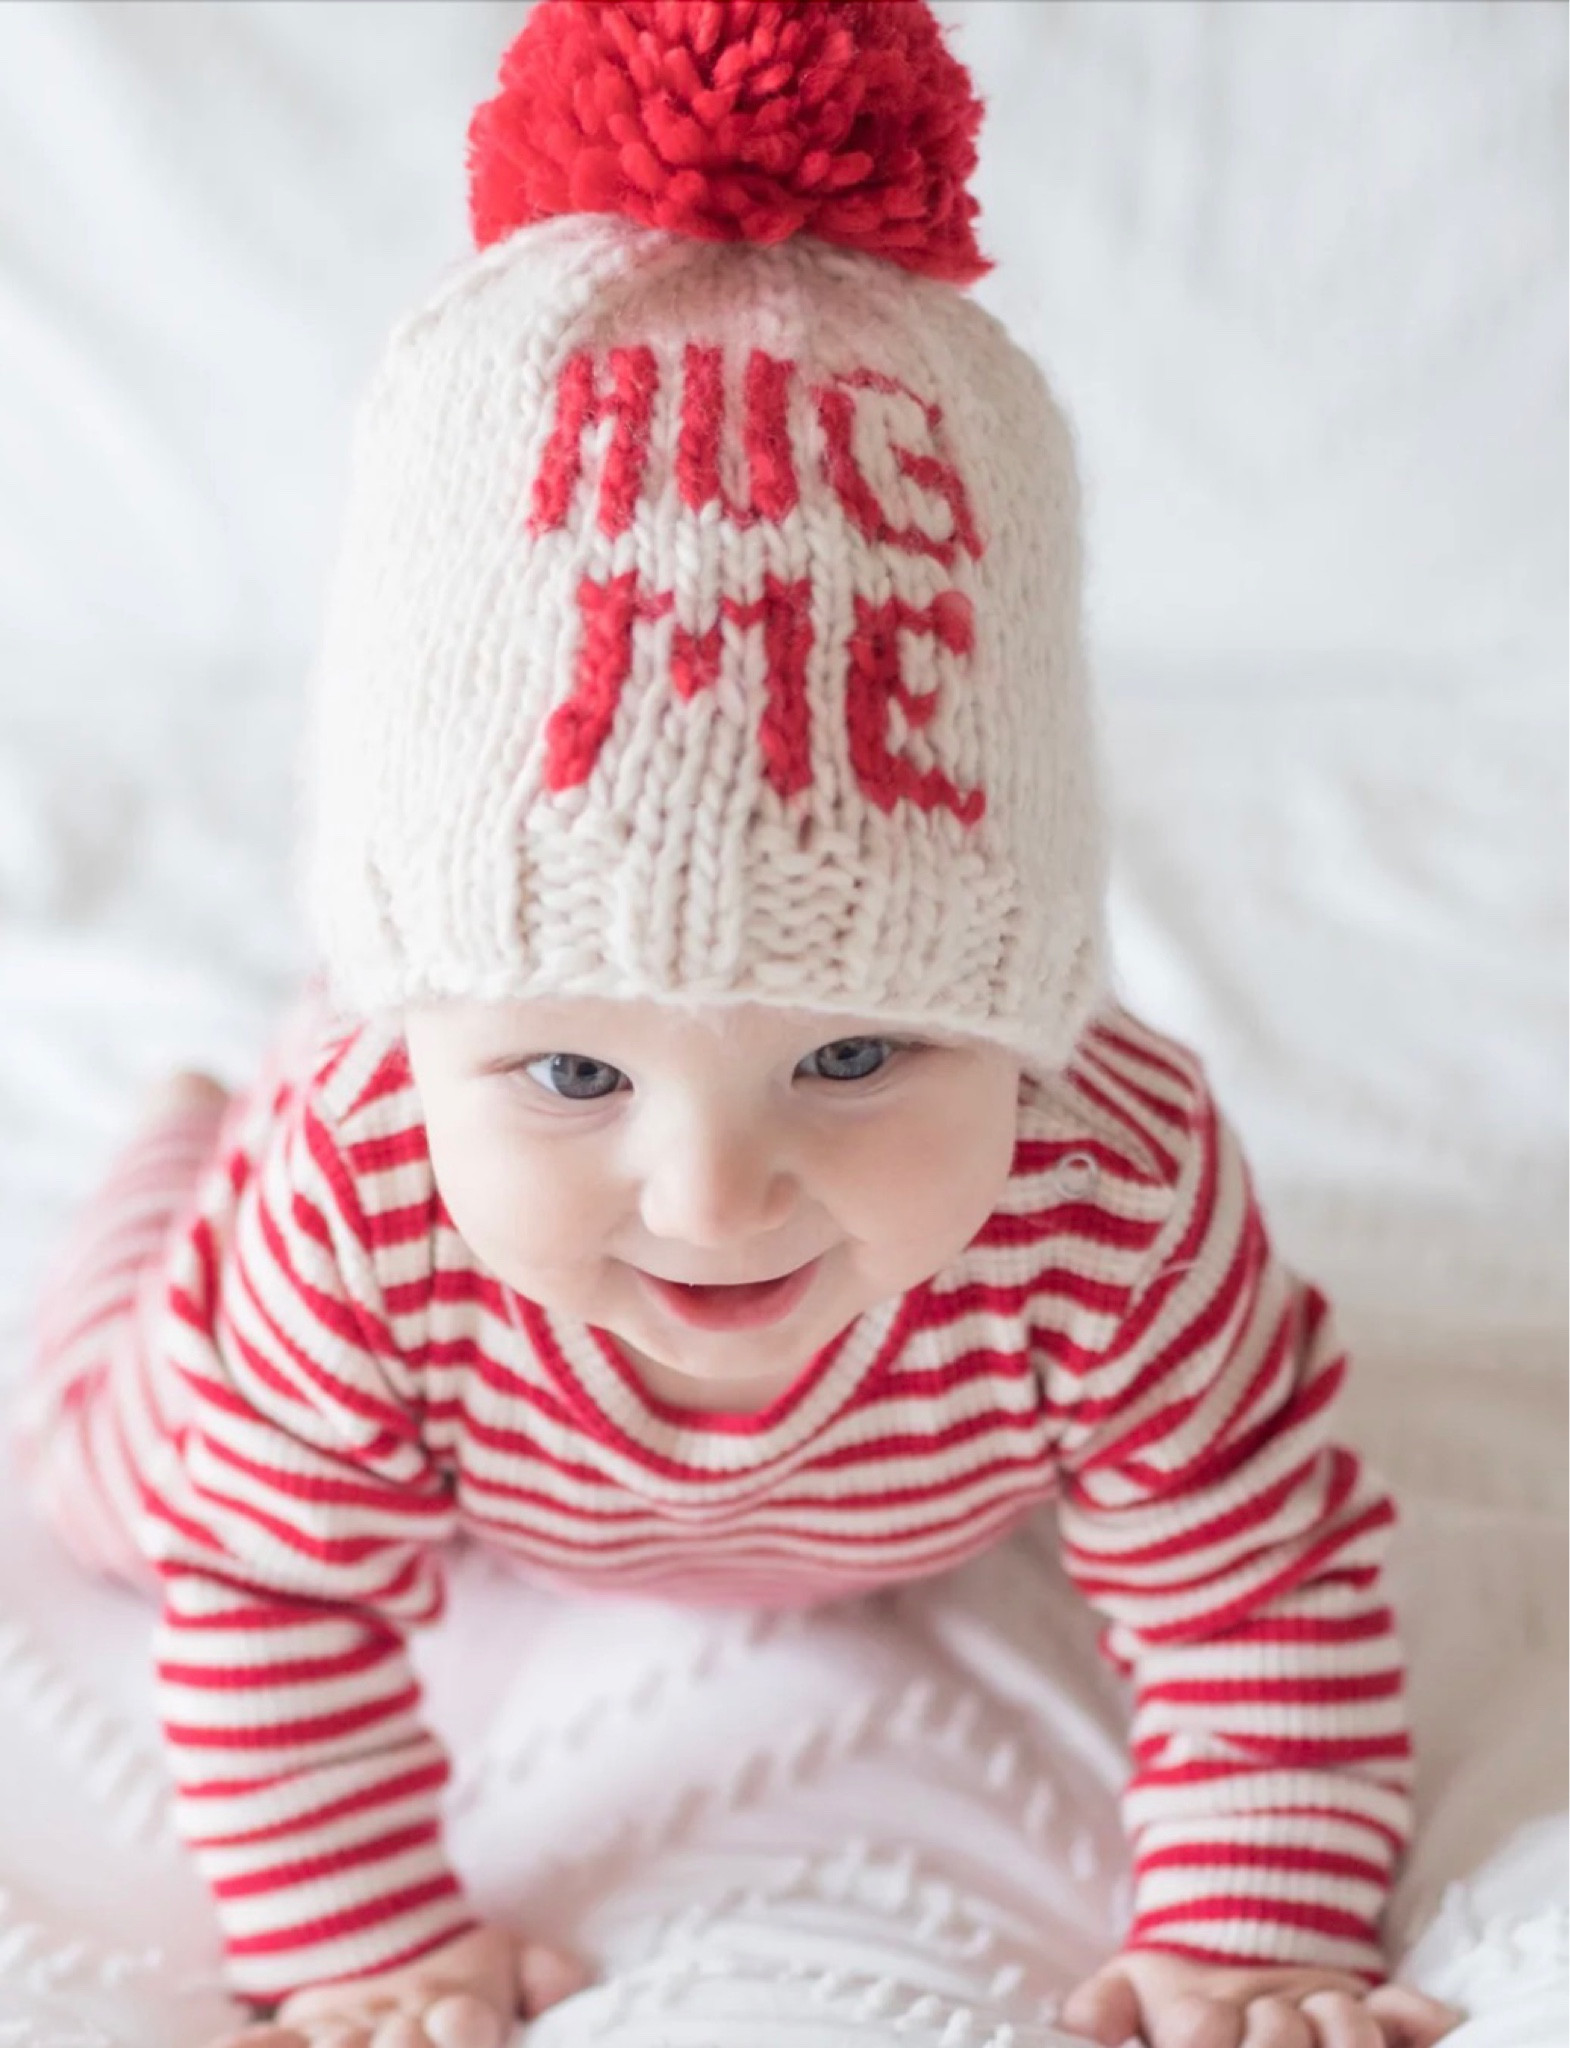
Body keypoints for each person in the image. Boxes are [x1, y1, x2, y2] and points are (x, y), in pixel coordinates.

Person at [11, 5, 1463, 2046]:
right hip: (371, 1343)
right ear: (424, 1023)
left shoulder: (1111, 1185)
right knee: (125, 1490)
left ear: (1019, 1002)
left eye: (855, 1056)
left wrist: (1246, 1921)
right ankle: (161, 1144)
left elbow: (1252, 1561)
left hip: (860, 1420)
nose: (709, 1193)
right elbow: (274, 1589)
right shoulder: (365, 1183)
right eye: (576, 1071)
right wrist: (362, 1947)